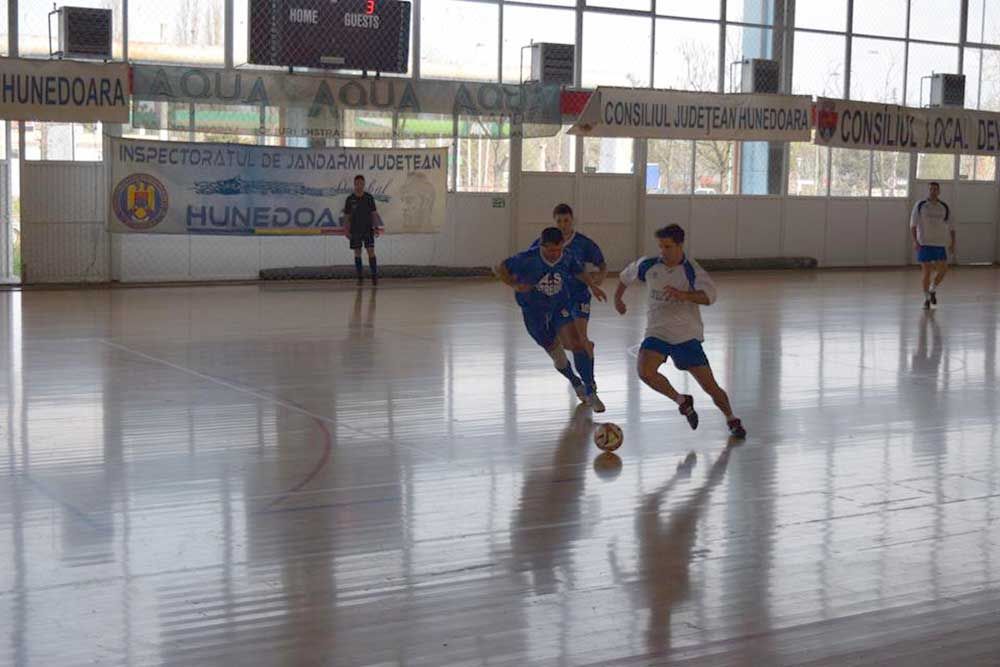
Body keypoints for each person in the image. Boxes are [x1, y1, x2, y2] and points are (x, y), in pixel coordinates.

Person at [615, 224, 746, 438]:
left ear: (680, 245)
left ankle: (731, 418)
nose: (663, 252)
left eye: (667, 247)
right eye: (660, 247)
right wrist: (618, 299)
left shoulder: (691, 270)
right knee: (645, 372)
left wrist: (685, 295)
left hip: (686, 336)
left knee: (710, 386)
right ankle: (681, 400)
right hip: (657, 333)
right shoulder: (648, 265)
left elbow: (709, 297)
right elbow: (624, 278)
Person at [496, 227, 608, 412]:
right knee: (558, 357)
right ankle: (574, 381)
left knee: (578, 343)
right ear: (542, 245)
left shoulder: (567, 256)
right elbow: (501, 267)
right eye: (551, 250)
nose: (556, 254)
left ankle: (591, 389)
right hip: (534, 314)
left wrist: (593, 286)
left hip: (559, 307)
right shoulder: (526, 259)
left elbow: (578, 271)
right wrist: (514, 284)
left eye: (559, 249)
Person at [530, 204, 607, 359]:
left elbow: (601, 263)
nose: (563, 225)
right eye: (559, 221)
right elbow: (529, 261)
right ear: (554, 222)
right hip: (557, 298)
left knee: (582, 338)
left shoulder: (583, 243)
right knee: (569, 344)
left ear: (572, 221)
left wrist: (601, 276)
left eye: (566, 221)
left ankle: (589, 379)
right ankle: (584, 355)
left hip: (579, 295)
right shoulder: (543, 243)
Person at [910, 181, 955, 310]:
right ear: (928, 190)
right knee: (927, 272)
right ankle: (926, 299)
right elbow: (913, 224)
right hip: (924, 243)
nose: (933, 191)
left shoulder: (944, 207)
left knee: (943, 270)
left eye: (935, 189)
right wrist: (915, 241)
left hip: (940, 243)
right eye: (931, 189)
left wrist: (952, 243)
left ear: (939, 191)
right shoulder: (920, 205)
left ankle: (932, 288)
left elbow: (952, 227)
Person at [343, 175, 383, 286]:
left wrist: (376, 227)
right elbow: (346, 216)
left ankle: (374, 276)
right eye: (357, 183)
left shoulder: (369, 198)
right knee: (357, 253)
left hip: (368, 230)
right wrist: (346, 230)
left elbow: (374, 214)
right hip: (355, 230)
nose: (359, 186)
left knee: (371, 252)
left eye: (361, 183)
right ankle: (360, 278)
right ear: (354, 184)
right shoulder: (350, 199)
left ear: (364, 184)